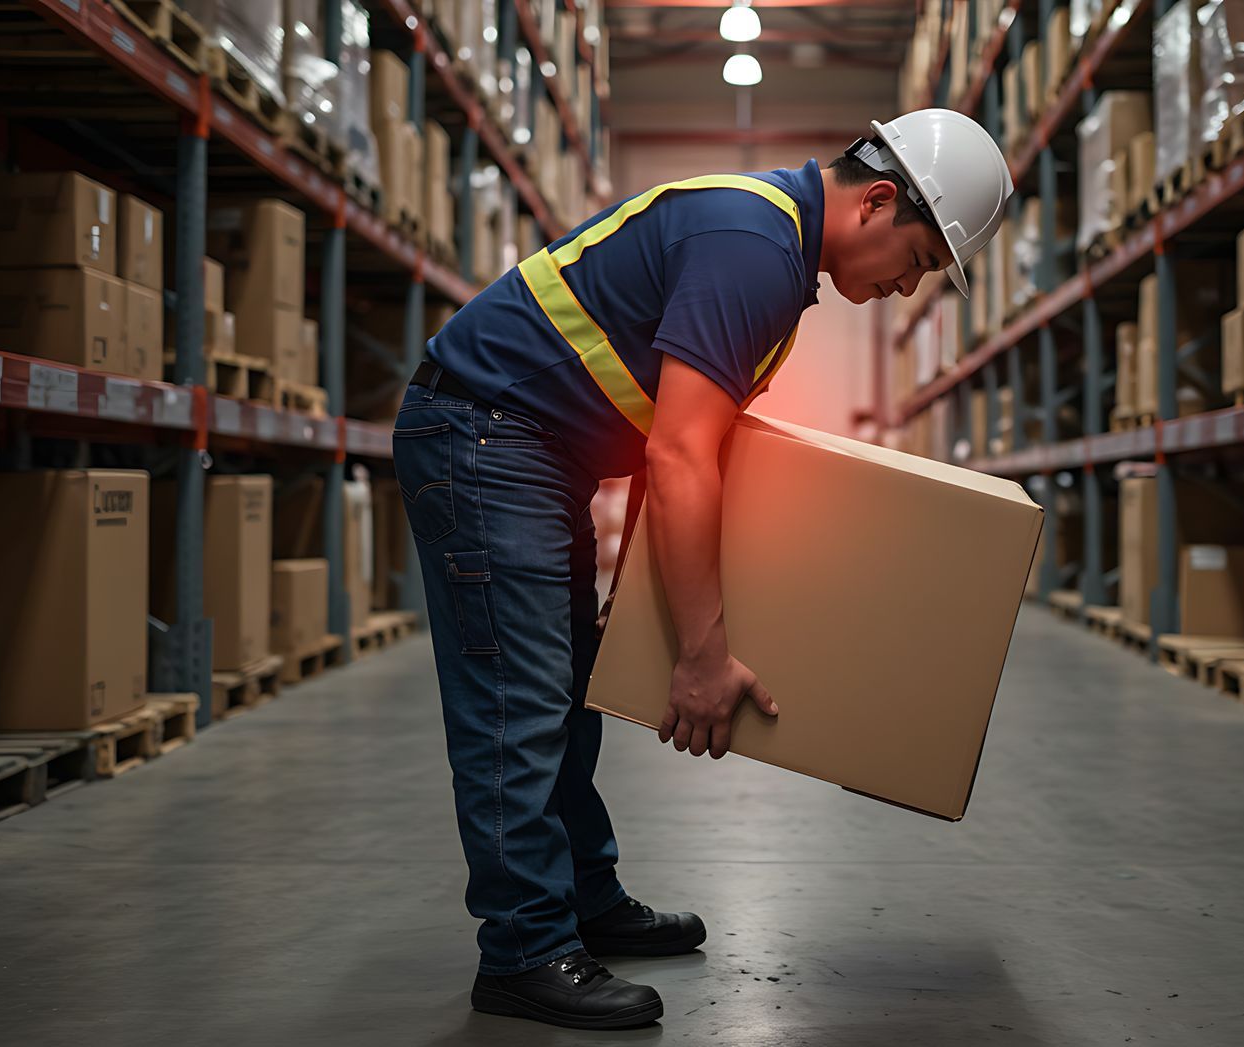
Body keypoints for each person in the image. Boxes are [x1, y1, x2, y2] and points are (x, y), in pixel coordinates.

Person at [394, 108, 1013, 1031]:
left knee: (566, 688)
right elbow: (683, 455)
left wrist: (635, 616)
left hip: (530, 449)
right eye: (918, 264)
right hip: (483, 437)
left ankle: (582, 899)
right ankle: (523, 948)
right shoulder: (753, 245)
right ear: (880, 202)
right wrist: (699, 653)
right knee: (518, 703)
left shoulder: (777, 257)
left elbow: (670, 451)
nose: (904, 291)